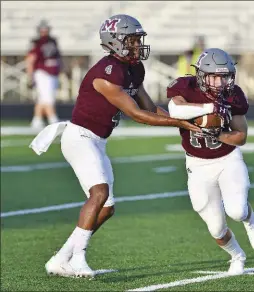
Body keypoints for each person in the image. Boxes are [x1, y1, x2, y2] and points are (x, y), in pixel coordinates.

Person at [29, 14, 201, 278]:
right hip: (79, 138)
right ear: (115, 41)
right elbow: (137, 115)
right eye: (132, 40)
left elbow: (150, 107)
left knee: (107, 207)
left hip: (98, 140)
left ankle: (61, 258)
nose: (137, 45)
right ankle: (78, 257)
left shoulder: (134, 69)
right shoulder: (106, 73)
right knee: (99, 193)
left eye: (137, 40)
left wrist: (184, 119)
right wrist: (182, 125)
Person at [167, 48, 254, 275]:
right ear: (201, 76)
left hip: (227, 159)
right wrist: (210, 109)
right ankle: (237, 256)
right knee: (216, 227)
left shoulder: (234, 95)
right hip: (197, 165)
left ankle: (250, 220)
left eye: (225, 77)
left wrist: (218, 135)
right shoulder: (186, 87)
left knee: (237, 210)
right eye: (215, 76)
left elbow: (241, 136)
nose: (221, 83)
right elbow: (174, 110)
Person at [26, 20, 62, 129]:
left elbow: (58, 58)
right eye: (42, 29)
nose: (44, 31)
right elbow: (30, 59)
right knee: (48, 98)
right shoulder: (36, 43)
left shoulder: (53, 41)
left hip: (53, 73)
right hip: (42, 73)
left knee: (43, 98)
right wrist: (30, 75)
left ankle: (36, 120)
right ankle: (53, 119)